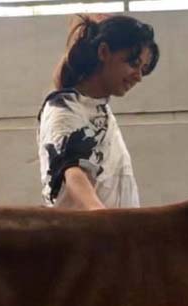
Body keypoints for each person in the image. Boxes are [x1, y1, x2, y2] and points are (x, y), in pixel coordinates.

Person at [37, 14, 159, 210]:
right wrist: (103, 217)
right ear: (104, 52)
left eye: (143, 69)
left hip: (114, 226)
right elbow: (73, 172)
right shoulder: (64, 107)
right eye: (134, 64)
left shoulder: (99, 108)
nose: (138, 77)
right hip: (89, 228)